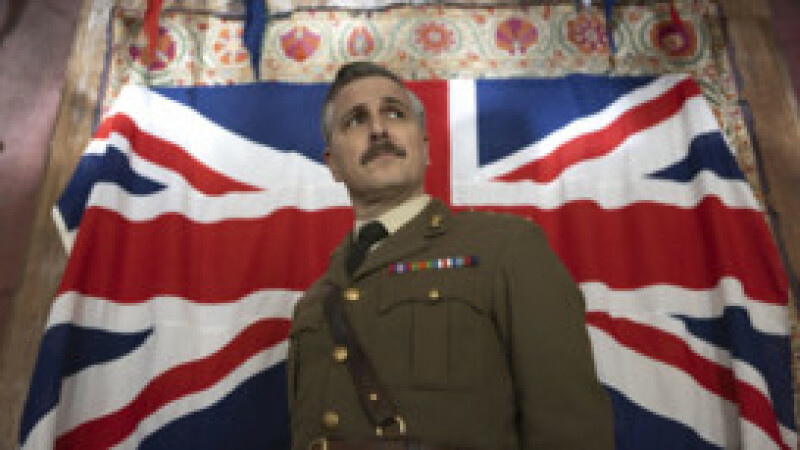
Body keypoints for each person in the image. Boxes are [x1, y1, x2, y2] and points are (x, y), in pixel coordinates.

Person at [288, 61, 615, 450]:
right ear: (333, 165)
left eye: (394, 113)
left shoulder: (506, 249)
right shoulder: (314, 303)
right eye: (355, 120)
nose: (378, 129)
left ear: (425, 147)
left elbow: (571, 428)